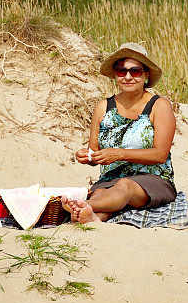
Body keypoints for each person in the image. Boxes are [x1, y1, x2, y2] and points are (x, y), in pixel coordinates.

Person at [61, 42, 176, 223]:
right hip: (110, 179)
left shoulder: (159, 105)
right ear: (115, 75)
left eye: (135, 71)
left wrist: (119, 154)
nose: (128, 76)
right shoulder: (103, 107)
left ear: (146, 75)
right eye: (121, 71)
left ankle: (81, 204)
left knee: (124, 186)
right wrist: (86, 156)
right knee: (101, 193)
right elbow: (94, 153)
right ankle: (92, 216)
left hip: (152, 179)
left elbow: (160, 155)